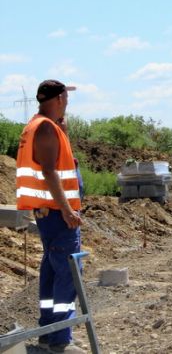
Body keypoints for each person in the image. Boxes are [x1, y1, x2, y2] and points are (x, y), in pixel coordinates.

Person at [15, 80, 85, 354]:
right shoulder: (44, 128)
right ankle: (59, 340)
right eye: (66, 98)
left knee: (52, 272)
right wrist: (68, 210)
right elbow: (48, 172)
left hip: (50, 213)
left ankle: (49, 332)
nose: (68, 102)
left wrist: (64, 132)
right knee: (68, 275)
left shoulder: (45, 126)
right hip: (57, 215)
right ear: (58, 99)